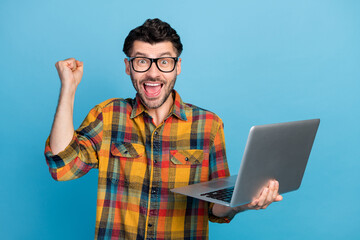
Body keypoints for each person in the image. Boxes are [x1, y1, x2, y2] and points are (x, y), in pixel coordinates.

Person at [45, 18, 283, 240]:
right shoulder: (109, 116)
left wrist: (241, 203)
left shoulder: (208, 125)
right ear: (128, 67)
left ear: (177, 66)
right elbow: (62, 167)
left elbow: (216, 207)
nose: (153, 73)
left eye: (164, 61)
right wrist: (69, 88)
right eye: (141, 61)